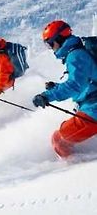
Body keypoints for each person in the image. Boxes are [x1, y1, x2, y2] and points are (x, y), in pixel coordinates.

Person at [32, 20, 97, 158]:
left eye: (50, 43)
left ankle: (74, 169)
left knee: (59, 139)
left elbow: (75, 85)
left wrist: (47, 96)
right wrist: (56, 87)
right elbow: (84, 81)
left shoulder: (76, 55)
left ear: (59, 39)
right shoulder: (77, 52)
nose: (51, 48)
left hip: (94, 110)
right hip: (91, 107)